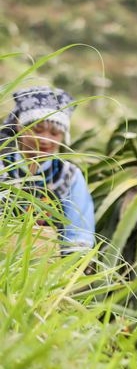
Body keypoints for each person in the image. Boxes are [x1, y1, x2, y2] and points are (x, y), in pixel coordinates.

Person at [0, 85, 95, 251]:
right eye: (37, 129)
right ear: (19, 126)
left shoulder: (69, 176)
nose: (45, 140)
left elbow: (79, 234)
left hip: (49, 266)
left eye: (55, 133)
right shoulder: (3, 166)